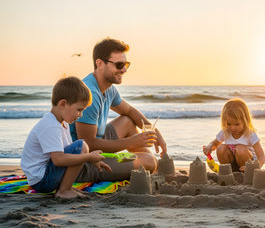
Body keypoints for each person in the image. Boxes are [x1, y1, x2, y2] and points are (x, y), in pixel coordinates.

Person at [70, 37, 167, 181]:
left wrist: (154, 131)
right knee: (148, 161)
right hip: (81, 163)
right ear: (100, 64)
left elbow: (129, 111)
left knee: (127, 121)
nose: (124, 70)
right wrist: (132, 142)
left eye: (126, 64)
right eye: (119, 65)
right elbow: (88, 143)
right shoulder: (90, 94)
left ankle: (152, 165)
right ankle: (150, 163)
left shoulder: (108, 89)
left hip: (96, 146)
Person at [21, 77, 112, 199]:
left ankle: (65, 187)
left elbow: (68, 151)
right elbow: (59, 159)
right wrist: (89, 156)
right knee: (81, 145)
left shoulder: (62, 123)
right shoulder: (50, 126)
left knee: (80, 147)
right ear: (63, 104)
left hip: (47, 175)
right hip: (42, 180)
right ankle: (64, 190)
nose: (81, 115)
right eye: (79, 110)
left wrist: (93, 159)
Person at [203, 98, 265, 172]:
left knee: (240, 149)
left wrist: (255, 166)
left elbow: (262, 157)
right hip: (233, 163)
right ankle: (229, 171)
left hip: (248, 164)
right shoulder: (226, 132)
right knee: (220, 148)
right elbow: (214, 144)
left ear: (245, 121)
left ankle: (244, 172)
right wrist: (209, 147)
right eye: (229, 124)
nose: (232, 128)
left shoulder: (250, 134)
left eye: (237, 124)